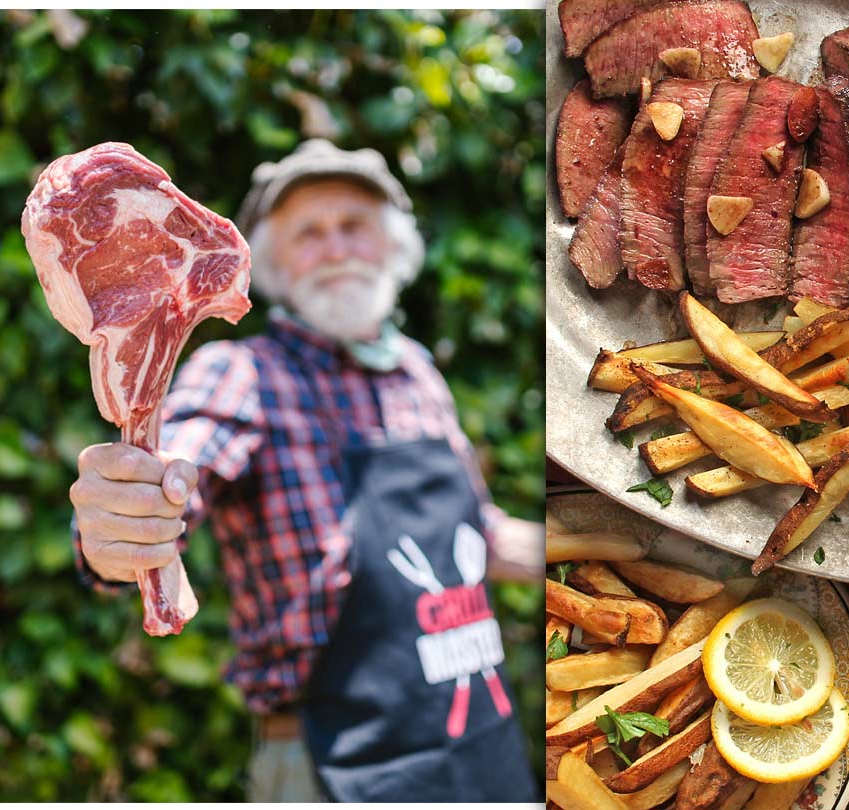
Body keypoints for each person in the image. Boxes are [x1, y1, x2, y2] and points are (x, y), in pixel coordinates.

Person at [68, 139, 543, 802]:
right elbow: (170, 475)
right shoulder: (243, 374)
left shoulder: (416, 371)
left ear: (392, 245)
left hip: (478, 741)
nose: (336, 247)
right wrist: (119, 521)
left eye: (354, 226)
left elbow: (474, 539)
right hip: (337, 762)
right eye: (308, 233)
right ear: (270, 263)